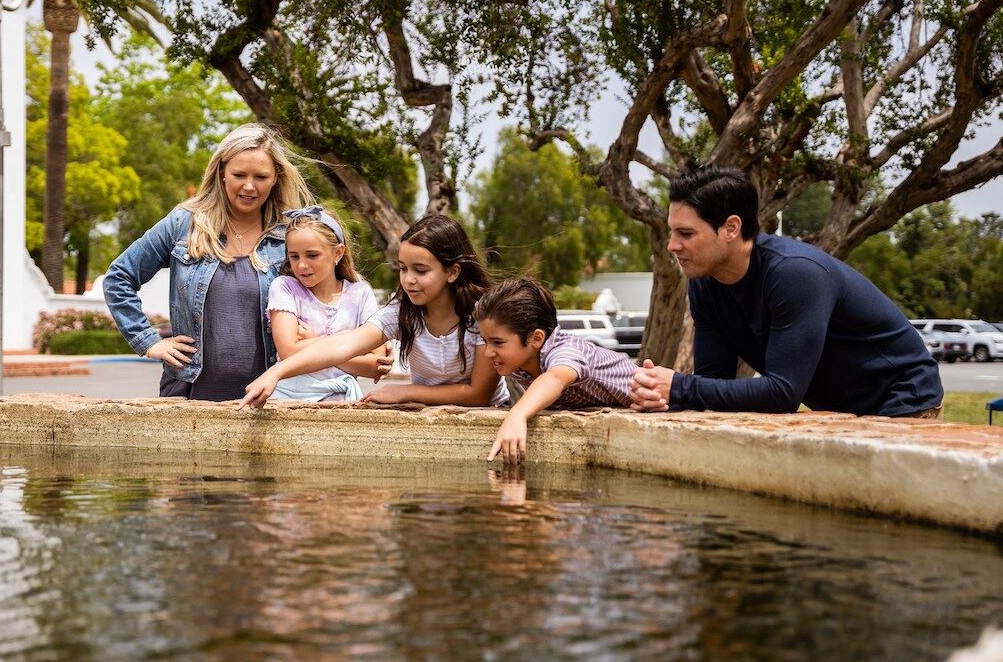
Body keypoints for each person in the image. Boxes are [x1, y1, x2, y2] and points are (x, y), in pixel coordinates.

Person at [630, 165, 943, 418]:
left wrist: (679, 387)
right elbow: (713, 384)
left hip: (904, 401)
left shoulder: (794, 273)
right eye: (672, 232)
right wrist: (661, 395)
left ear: (731, 229)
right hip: (844, 412)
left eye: (685, 233)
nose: (672, 245)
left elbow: (782, 394)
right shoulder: (704, 283)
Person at [104, 123, 312, 401]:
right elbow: (119, 277)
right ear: (222, 172)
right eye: (239, 174)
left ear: (275, 177)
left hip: (275, 395)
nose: (249, 186)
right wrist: (148, 341)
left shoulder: (292, 235)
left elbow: (330, 291)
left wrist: (359, 347)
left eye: (261, 176)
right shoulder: (183, 225)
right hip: (189, 391)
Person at [239, 214, 508, 409]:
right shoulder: (402, 312)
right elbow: (341, 346)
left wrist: (407, 393)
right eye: (403, 269)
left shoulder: (481, 316)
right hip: (431, 414)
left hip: (488, 417)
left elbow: (478, 394)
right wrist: (275, 373)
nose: (409, 280)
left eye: (421, 271)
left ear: (453, 271)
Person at [477, 278, 636, 462]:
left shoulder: (565, 350)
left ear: (536, 338)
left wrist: (517, 415)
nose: (488, 352)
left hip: (658, 396)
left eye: (497, 342)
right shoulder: (517, 363)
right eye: (485, 341)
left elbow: (554, 379)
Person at [266, 206, 391, 402]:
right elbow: (288, 352)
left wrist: (314, 340)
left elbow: (376, 365)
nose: (302, 265)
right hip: (289, 399)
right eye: (294, 256)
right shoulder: (285, 288)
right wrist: (349, 342)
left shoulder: (360, 292)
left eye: (312, 255)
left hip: (342, 402)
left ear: (338, 253)